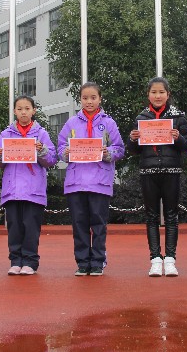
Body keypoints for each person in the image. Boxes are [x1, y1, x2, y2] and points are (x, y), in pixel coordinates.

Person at [58, 82, 125, 277]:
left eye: (93, 97)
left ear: (100, 99)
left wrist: (108, 152)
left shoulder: (109, 123)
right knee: (79, 224)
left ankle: (97, 261)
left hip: (99, 182)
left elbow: (119, 149)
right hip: (76, 182)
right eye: (85, 98)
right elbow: (60, 148)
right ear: (80, 99)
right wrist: (66, 152)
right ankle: (82, 261)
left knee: (98, 223)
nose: (89, 101)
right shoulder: (71, 123)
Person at [127, 77, 187, 277]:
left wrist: (177, 137)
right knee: (152, 216)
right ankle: (155, 258)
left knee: (171, 216)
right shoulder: (141, 117)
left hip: (171, 170)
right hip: (148, 171)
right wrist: (132, 140)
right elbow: (134, 151)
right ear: (148, 95)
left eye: (161, 92)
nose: (157, 96)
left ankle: (170, 259)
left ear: (168, 95)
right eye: (154, 92)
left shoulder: (178, 116)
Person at [0, 95, 57, 275]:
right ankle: (15, 260)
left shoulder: (41, 134)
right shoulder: (6, 134)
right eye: (19, 109)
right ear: (14, 111)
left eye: (27, 108)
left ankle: (30, 261)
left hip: (33, 190)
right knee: (14, 227)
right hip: (12, 190)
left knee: (31, 227)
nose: (23, 112)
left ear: (33, 111)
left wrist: (41, 150)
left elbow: (51, 159)